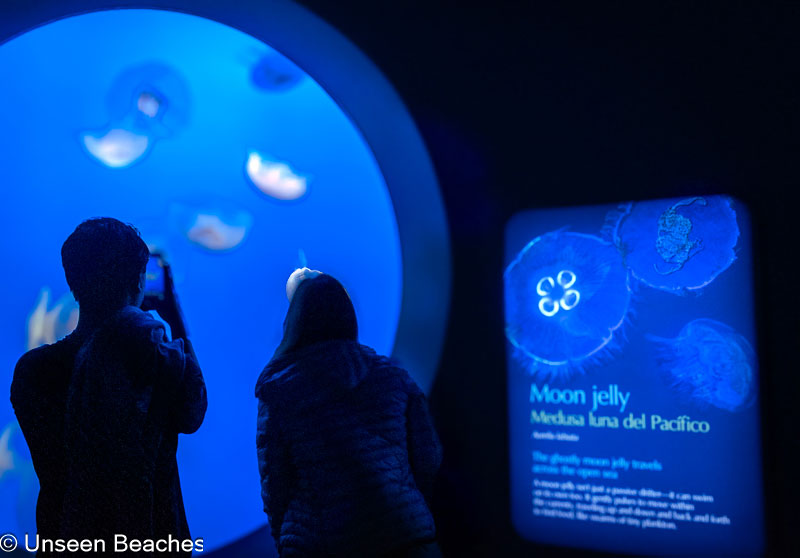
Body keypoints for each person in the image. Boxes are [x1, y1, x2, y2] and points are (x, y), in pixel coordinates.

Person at [10, 218, 207, 556]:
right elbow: (193, 413)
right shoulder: (158, 360)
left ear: (74, 284)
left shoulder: (33, 372)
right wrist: (173, 314)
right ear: (137, 280)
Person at [255, 269, 442, 557]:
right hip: (404, 537)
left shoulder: (279, 389)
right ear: (348, 315)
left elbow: (275, 482)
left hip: (319, 544)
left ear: (294, 320)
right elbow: (428, 458)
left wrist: (286, 539)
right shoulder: (394, 377)